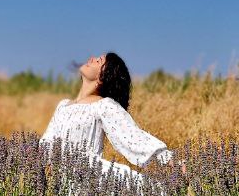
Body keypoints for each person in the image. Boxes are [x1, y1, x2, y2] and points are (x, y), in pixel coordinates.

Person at [39, 52, 181, 185]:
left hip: (91, 181)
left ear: (103, 76)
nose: (92, 58)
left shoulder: (104, 105)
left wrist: (169, 159)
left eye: (98, 61)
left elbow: (133, 137)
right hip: (65, 185)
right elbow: (47, 142)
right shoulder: (63, 106)